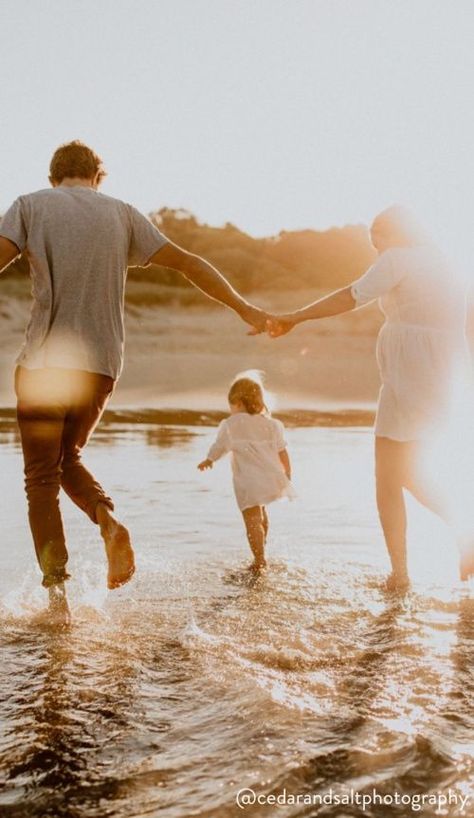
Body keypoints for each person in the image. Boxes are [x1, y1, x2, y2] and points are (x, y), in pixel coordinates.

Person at [0, 140, 269, 626]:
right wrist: (244, 308)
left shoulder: (30, 206)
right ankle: (107, 520)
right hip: (101, 366)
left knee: (41, 477)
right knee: (69, 459)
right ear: (98, 176)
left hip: (43, 364)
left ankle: (56, 601)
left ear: (54, 174)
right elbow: (188, 263)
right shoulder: (122, 215)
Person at [266, 206, 470, 589]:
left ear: (390, 234)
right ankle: (462, 532)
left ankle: (401, 573)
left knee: (387, 476)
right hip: (447, 371)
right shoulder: (446, 262)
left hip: (412, 373)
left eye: (378, 244)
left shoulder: (399, 258)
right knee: (408, 469)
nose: (377, 253)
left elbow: (351, 296)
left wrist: (295, 316)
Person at [197, 373, 294, 571]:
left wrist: (209, 459)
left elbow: (220, 445)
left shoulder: (231, 424)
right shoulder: (272, 424)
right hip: (271, 476)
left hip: (248, 481)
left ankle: (258, 560)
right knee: (261, 512)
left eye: (231, 406)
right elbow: (282, 450)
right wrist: (288, 474)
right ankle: (263, 550)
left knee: (251, 518)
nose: (231, 411)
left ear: (238, 403)